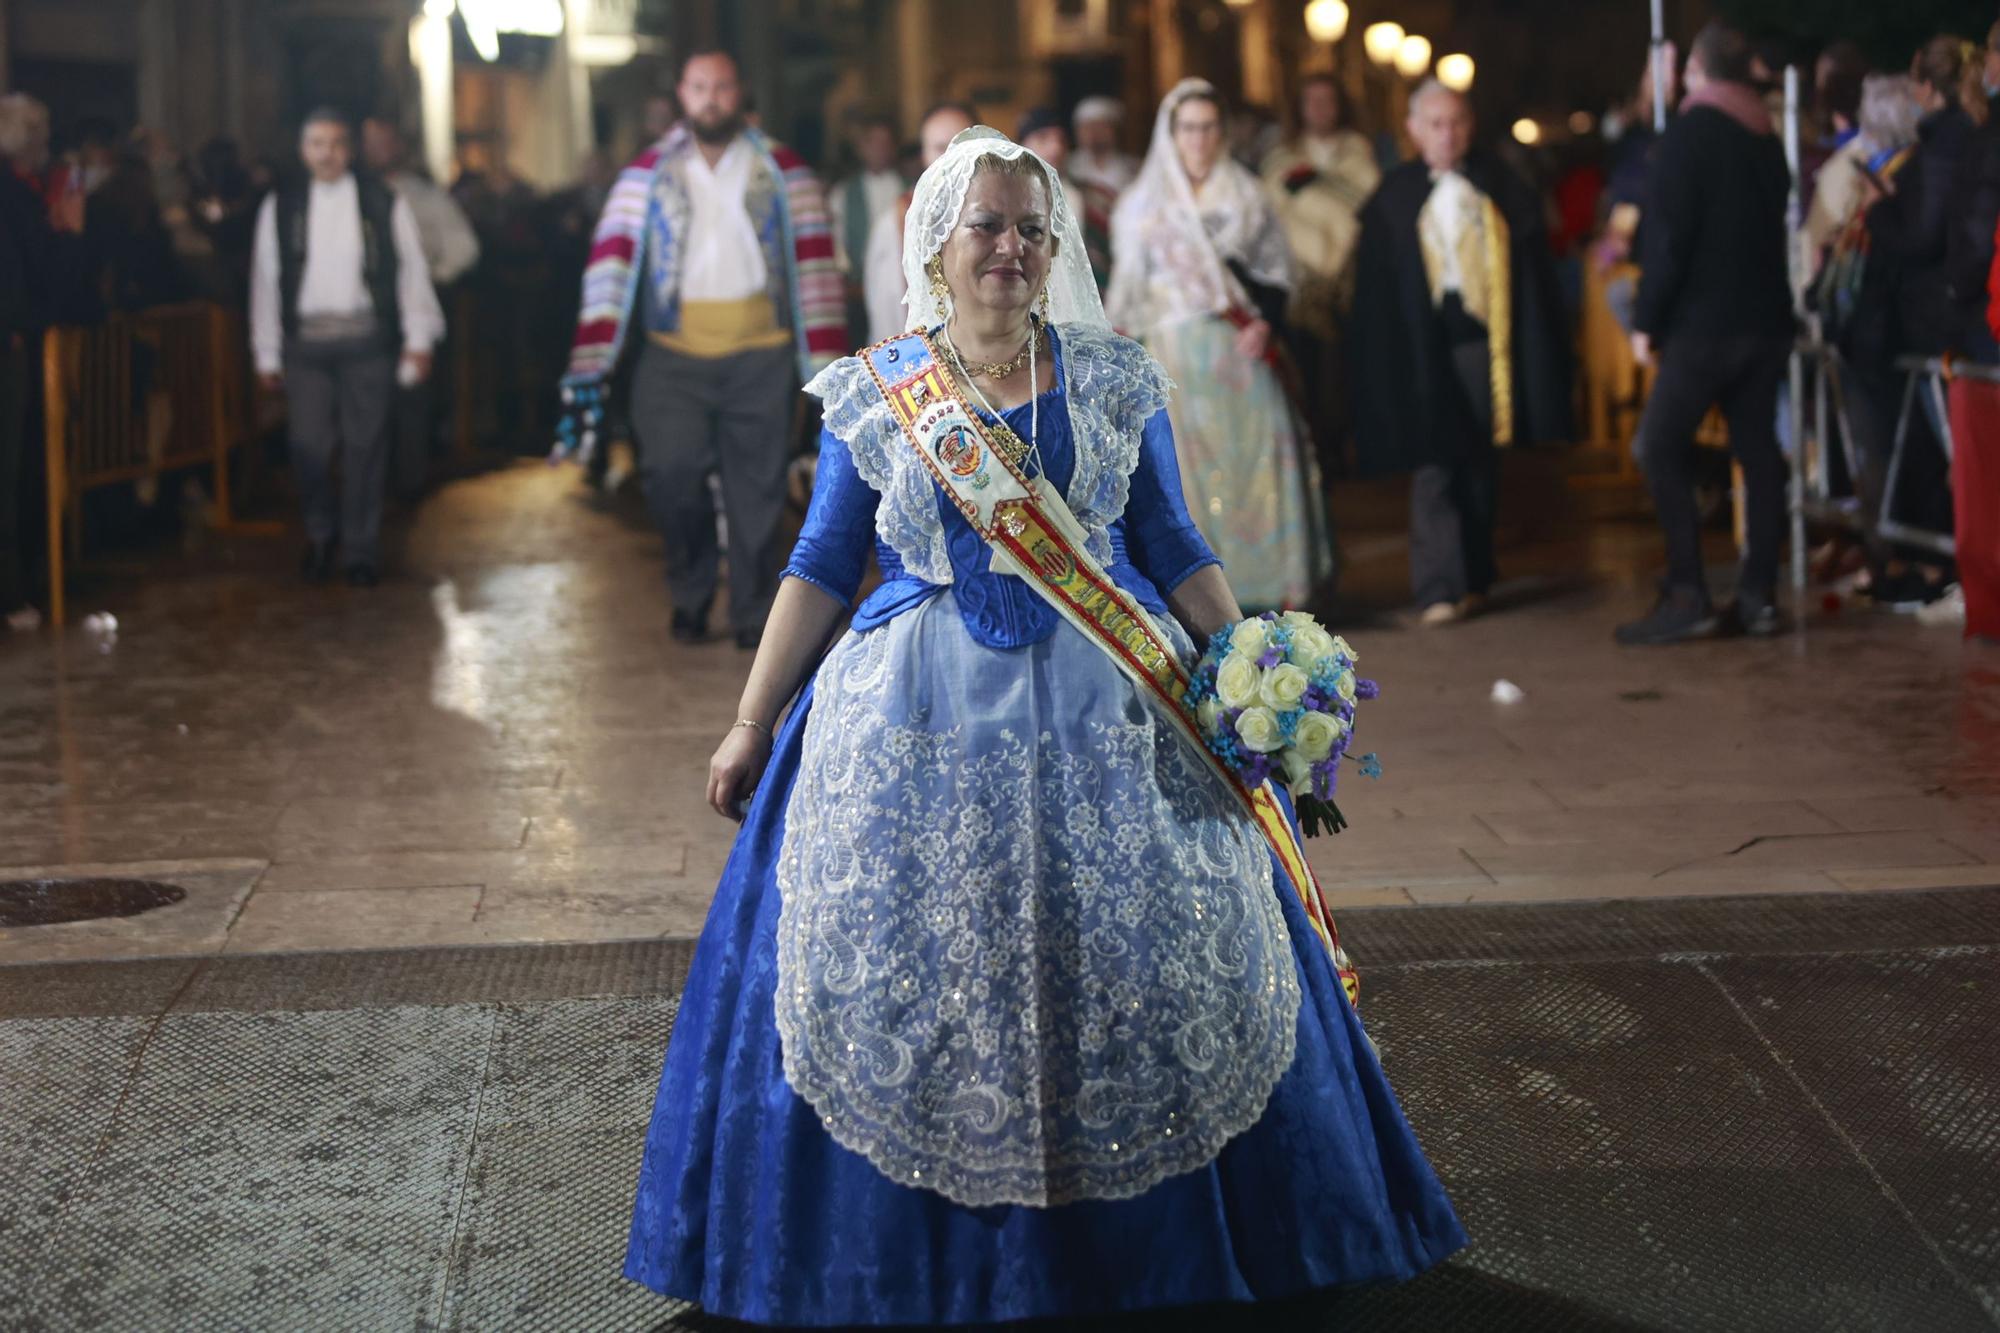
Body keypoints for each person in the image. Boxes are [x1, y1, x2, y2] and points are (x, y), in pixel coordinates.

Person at [619, 122, 1465, 1326]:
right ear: (935, 244)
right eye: (985, 227)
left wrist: (1248, 664)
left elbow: (1170, 542)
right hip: (911, 728)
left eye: (1029, 227)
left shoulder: (1112, 376)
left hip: (1110, 718)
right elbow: (820, 560)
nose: (1008, 249)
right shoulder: (878, 391)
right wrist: (749, 719)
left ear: (1054, 241)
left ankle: (1157, 1255)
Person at [555, 49, 845, 648]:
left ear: (740, 93)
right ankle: (689, 590)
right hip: (671, 356)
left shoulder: (787, 172)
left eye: (722, 86)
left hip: (761, 354)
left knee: (758, 490)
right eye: (699, 87)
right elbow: (607, 267)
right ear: (682, 95)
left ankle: (751, 613)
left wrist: (826, 366)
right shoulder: (645, 175)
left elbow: (819, 272)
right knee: (669, 475)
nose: (711, 97)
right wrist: (593, 356)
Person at [1349, 81, 1572, 626]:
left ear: (1470, 127)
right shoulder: (1392, 195)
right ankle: (1438, 586)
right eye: (1435, 124)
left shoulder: (1500, 185)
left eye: (1456, 123)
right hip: (1423, 348)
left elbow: (1534, 268)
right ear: (1413, 130)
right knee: (1435, 462)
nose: (1447, 135)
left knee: (1479, 459)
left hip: (1481, 343)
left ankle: (1474, 575)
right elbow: (1376, 288)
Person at [1107, 79, 1333, 611]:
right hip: (1171, 353)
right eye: (1188, 128)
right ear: (1172, 133)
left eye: (1209, 127)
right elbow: (1127, 292)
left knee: (1254, 464)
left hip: (1238, 350)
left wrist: (1265, 326)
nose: (1199, 139)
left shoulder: (1246, 194)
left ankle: (1272, 586)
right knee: (1179, 475)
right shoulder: (1143, 205)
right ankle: (1198, 599)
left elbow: (1277, 274)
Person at [1614, 22, 1795, 645]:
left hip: (1706, 325)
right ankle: (1759, 595)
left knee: (1659, 446)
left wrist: (1647, 320)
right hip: (1765, 321)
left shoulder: (1690, 135)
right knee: (1758, 452)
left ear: (1695, 70)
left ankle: (1688, 591)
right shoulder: (1765, 136)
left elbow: (1669, 240)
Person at [250, 108, 443, 588]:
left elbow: (410, 269)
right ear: (303, 150)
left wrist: (418, 338)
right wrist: (267, 352)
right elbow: (266, 281)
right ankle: (320, 534)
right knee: (308, 445)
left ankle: (361, 548)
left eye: (336, 143)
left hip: (366, 343)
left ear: (349, 150)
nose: (327, 153)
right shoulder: (282, 206)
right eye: (317, 143)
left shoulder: (381, 201)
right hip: (307, 346)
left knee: (365, 447)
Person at [1261, 73, 1381, 479]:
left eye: (1327, 101)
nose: (1319, 110)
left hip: (1349, 278)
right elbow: (1270, 214)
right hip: (1299, 282)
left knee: (1348, 368)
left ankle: (1353, 445)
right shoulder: (1281, 158)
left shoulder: (1358, 153)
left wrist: (1323, 187)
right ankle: (1316, 450)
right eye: (1311, 101)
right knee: (1306, 368)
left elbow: (1367, 204)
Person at [361, 117, 479, 499]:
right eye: (368, 142)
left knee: (411, 396)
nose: (376, 150)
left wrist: (436, 277)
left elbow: (464, 247)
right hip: (364, 312)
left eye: (383, 141)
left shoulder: (423, 195)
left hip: (412, 305)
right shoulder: (350, 195)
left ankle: (408, 483)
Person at [863, 101, 975, 342]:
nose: (951, 157)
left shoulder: (1008, 210)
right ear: (924, 155)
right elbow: (886, 309)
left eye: (962, 146)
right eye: (940, 148)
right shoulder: (897, 221)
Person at [1015, 105, 1112, 290]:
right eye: (1043, 138)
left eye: (1060, 139)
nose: (1056, 147)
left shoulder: (1090, 197)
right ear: (1022, 145)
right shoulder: (1005, 197)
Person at [831, 113, 907, 342]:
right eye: (872, 143)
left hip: (899, 290)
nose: (879, 149)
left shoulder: (908, 190)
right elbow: (837, 244)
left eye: (884, 143)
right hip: (857, 294)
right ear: (861, 149)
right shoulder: (843, 194)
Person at [1071, 95, 1139, 196]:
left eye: (1100, 127)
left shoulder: (1134, 168)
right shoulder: (1069, 167)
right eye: (1087, 128)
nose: (1093, 133)